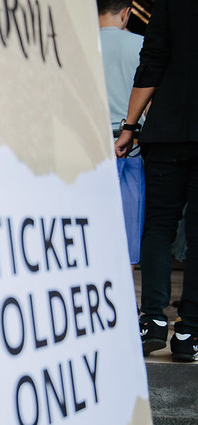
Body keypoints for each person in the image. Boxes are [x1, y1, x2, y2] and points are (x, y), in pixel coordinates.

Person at [115, 0, 198, 362]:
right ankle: (189, 331)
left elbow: (151, 63)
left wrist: (129, 127)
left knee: (159, 226)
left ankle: (152, 321)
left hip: (168, 129)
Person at [97, 0, 143, 133]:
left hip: (87, 139)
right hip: (129, 140)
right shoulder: (143, 46)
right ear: (125, 13)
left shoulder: (76, 45)